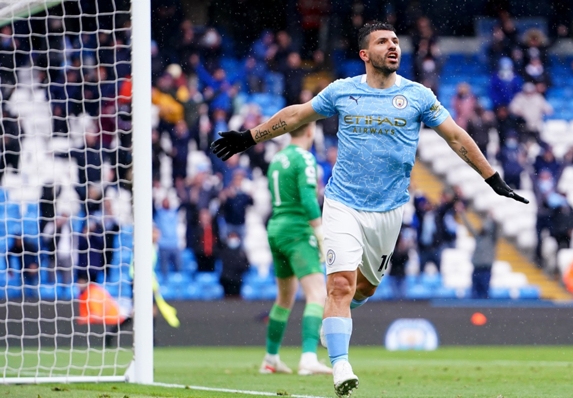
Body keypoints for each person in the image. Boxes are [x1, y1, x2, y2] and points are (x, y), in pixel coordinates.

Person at [210, 21, 527, 397]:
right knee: (339, 284)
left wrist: (491, 178)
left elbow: (456, 136)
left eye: (395, 41)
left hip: (388, 211)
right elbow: (296, 115)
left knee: (363, 289)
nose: (393, 46)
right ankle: (341, 365)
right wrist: (249, 137)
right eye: (383, 42)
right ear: (365, 54)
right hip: (343, 204)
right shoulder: (342, 91)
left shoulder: (418, 96)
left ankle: (334, 325)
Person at [258, 122, 332, 376]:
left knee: (285, 298)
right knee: (317, 294)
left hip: (276, 228)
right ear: (310, 131)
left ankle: (270, 358)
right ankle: (309, 358)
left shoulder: (278, 158)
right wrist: (320, 231)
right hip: (297, 230)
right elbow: (308, 198)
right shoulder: (304, 158)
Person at [458, 207, 498, 299]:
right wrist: (462, 214)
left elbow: (495, 228)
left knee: (484, 292)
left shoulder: (491, 238)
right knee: (475, 293)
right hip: (476, 268)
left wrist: (491, 218)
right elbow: (469, 225)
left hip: (486, 269)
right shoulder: (478, 236)